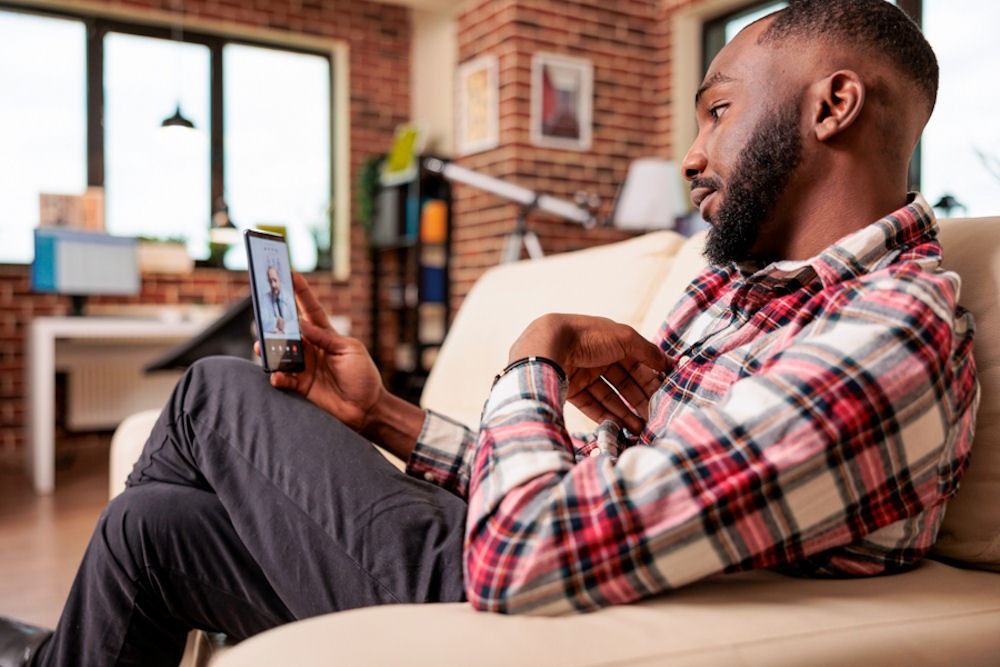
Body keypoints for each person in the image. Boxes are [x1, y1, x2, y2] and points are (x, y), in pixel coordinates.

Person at [0, 0, 979, 664]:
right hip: (546, 558)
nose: (692, 154)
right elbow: (588, 492)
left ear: (833, 103)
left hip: (539, 602)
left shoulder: (883, 335)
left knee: (217, 392)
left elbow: (528, 547)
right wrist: (380, 411)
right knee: (149, 529)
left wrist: (531, 355)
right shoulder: (741, 292)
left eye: (717, 110)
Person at [260, 263, 296, 335]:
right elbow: (262, 322)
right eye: (270, 281)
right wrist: (276, 322)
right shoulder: (264, 299)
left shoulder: (289, 300)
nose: (273, 285)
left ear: (280, 279)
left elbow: (296, 323)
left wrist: (284, 330)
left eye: (275, 280)